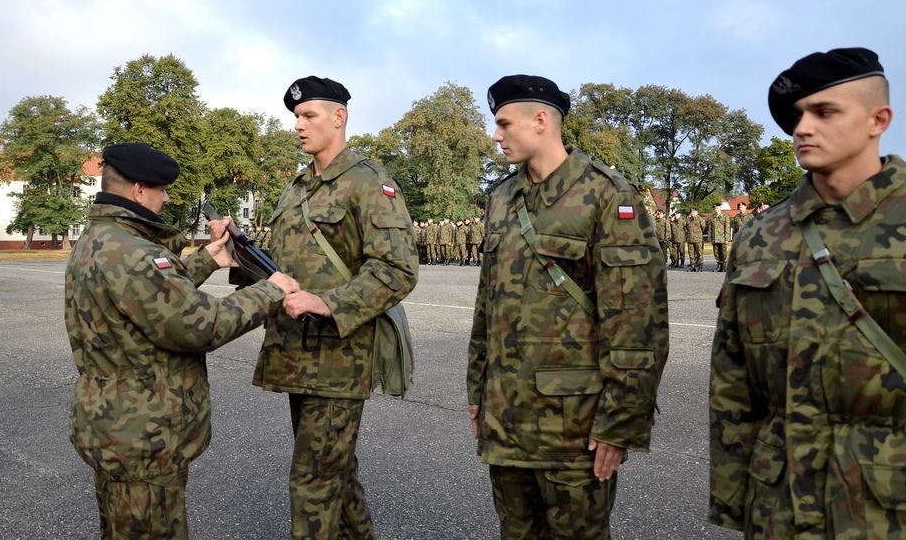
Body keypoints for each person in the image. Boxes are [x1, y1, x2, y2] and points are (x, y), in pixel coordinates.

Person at [709, 47, 906, 538]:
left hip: (888, 508)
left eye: (824, 112)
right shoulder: (760, 236)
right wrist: (735, 496)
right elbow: (732, 380)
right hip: (779, 505)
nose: (802, 128)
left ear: (877, 120)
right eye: (797, 115)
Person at [467, 75, 669, 539]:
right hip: (506, 416)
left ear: (541, 121)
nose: (495, 135)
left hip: (574, 429)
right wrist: (477, 393)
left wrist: (621, 423)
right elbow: (486, 305)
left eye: (503, 123)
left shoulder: (607, 194)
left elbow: (638, 320)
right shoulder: (501, 198)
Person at [65, 143, 299, 540]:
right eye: (162, 189)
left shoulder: (104, 239)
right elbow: (200, 325)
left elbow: (151, 298)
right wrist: (271, 291)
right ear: (139, 191)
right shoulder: (134, 253)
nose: (167, 197)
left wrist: (210, 257)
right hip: (143, 434)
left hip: (116, 424)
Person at [248, 76, 418, 540]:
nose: (298, 126)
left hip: (338, 360)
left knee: (313, 483)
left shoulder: (368, 182)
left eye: (309, 116)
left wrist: (328, 302)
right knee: (334, 475)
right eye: (296, 118)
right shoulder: (298, 188)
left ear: (338, 117)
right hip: (295, 354)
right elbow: (283, 265)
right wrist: (241, 251)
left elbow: (397, 269)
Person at [708, 203, 731, 272]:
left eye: (717, 208)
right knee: (716, 253)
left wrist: (727, 238)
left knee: (723, 252)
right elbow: (710, 229)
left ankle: (724, 266)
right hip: (714, 238)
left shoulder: (725, 216)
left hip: (722, 237)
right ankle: (718, 266)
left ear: (720, 208)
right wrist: (710, 238)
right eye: (715, 208)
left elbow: (727, 227)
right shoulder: (712, 217)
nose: (716, 209)